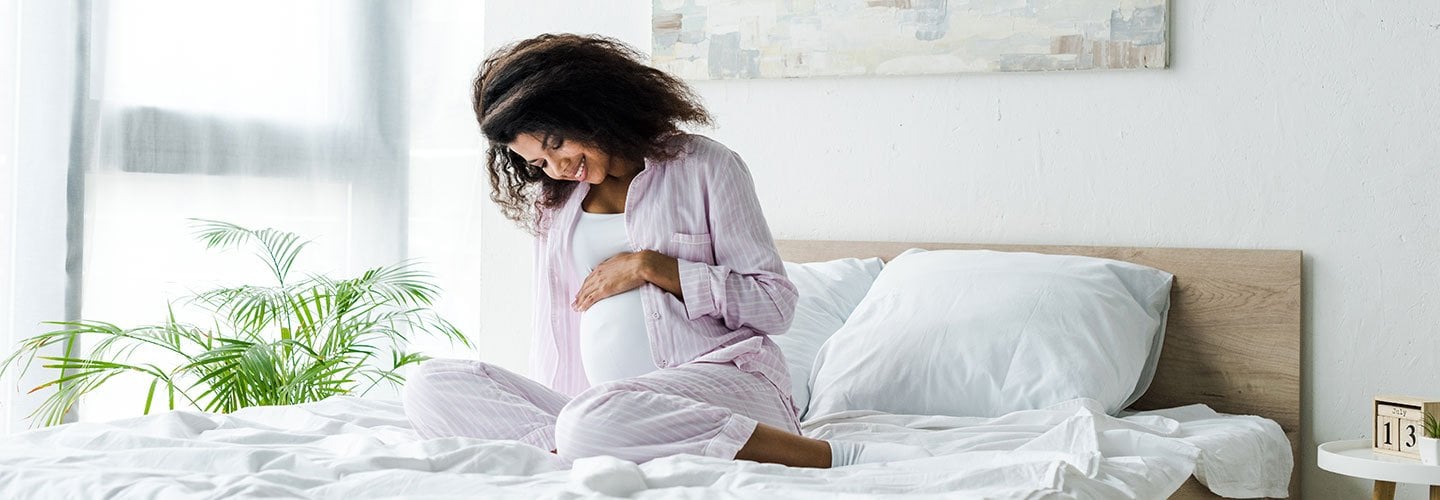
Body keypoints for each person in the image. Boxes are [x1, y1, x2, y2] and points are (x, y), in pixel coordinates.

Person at [402, 33, 929, 468]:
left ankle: (826, 457)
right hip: (599, 405)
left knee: (593, 417)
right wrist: (566, 412)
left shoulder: (707, 167)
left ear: (590, 108)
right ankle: (578, 446)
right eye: (538, 162)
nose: (557, 168)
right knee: (430, 383)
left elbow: (775, 305)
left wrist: (654, 267)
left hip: (729, 381)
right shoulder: (555, 204)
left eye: (557, 144)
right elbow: (556, 329)